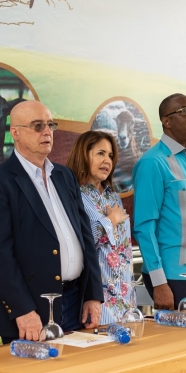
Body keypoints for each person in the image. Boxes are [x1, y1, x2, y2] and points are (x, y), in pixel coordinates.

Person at [0, 100, 103, 343]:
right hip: (32, 311)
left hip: (76, 302)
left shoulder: (65, 176)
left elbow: (85, 237)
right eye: (37, 126)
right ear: (15, 133)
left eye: (50, 125)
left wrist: (93, 295)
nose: (47, 132)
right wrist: (22, 310)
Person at [132, 93, 186, 310]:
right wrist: (159, 281)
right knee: (183, 341)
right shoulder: (153, 162)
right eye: (184, 111)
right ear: (166, 121)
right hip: (174, 276)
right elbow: (144, 227)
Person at [66, 130, 132, 325]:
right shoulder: (75, 196)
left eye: (110, 155)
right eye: (100, 153)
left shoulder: (114, 196)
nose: (107, 161)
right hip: (96, 296)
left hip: (124, 294)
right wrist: (109, 222)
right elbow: (79, 242)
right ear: (83, 155)